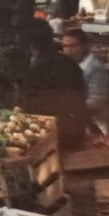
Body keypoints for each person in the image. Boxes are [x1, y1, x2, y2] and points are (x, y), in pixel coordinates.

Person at [18, 18, 88, 149]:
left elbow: (27, 109)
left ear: (30, 45)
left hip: (50, 139)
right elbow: (82, 96)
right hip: (75, 133)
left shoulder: (34, 71)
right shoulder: (70, 63)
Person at [62, 27, 109, 136]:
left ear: (84, 46)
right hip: (74, 121)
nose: (68, 51)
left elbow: (96, 101)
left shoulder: (95, 68)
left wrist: (69, 107)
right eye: (65, 46)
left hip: (95, 125)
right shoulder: (66, 65)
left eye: (73, 46)